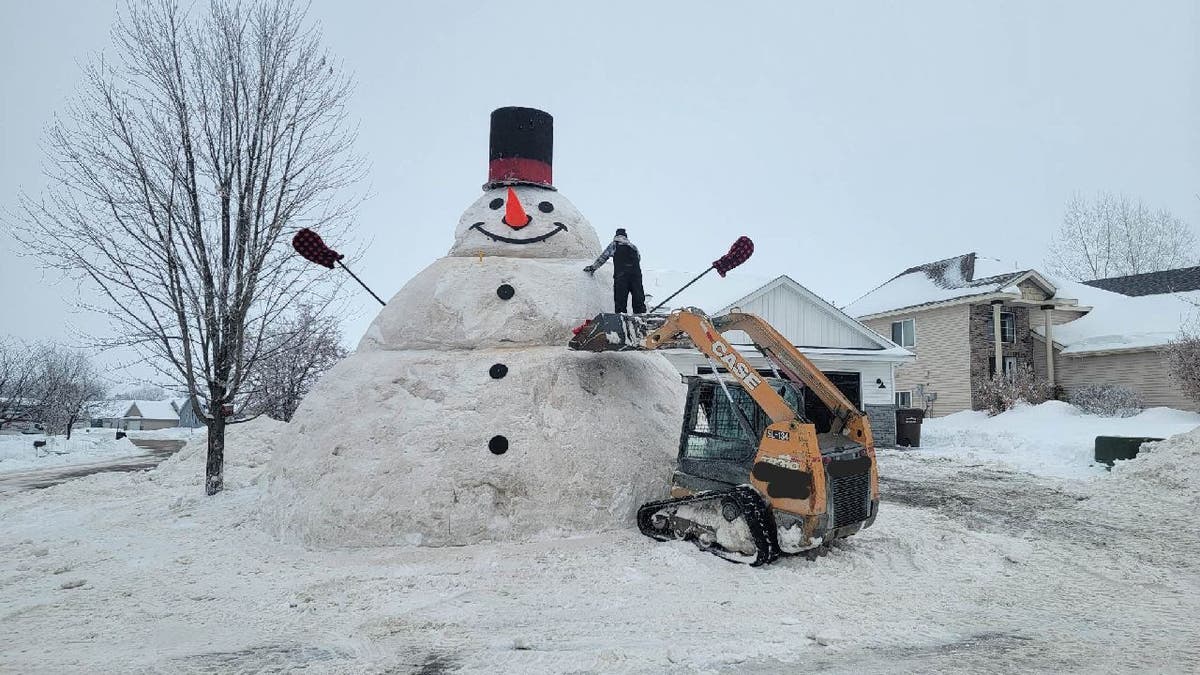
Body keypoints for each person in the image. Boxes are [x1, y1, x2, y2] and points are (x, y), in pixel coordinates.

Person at [584, 228, 646, 314]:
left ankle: (621, 321)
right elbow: (638, 259)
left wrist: (593, 268)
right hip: (636, 276)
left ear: (616, 236)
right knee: (638, 299)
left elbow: (603, 257)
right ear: (626, 236)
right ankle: (641, 319)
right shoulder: (633, 247)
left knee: (620, 301)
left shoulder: (614, 245)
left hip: (621, 276)